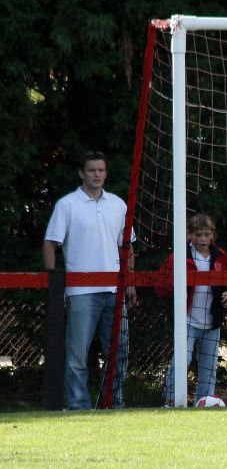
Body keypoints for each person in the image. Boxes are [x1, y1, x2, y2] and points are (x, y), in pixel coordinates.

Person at [43, 150, 136, 410]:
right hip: (80, 292)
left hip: (114, 290)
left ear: (106, 173)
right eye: (92, 170)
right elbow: (51, 243)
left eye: (101, 170)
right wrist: (54, 286)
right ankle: (78, 407)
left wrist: (129, 283)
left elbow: (127, 247)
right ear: (81, 173)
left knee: (119, 352)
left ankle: (113, 403)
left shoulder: (118, 204)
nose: (97, 174)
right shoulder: (67, 204)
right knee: (77, 356)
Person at [155, 214, 227, 406]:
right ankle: (169, 401)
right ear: (189, 235)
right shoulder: (179, 257)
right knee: (181, 361)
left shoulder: (221, 257)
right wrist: (175, 289)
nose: (202, 239)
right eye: (198, 235)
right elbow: (161, 284)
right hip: (186, 320)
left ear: (212, 235)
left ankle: (204, 401)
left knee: (209, 366)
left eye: (206, 235)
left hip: (212, 320)